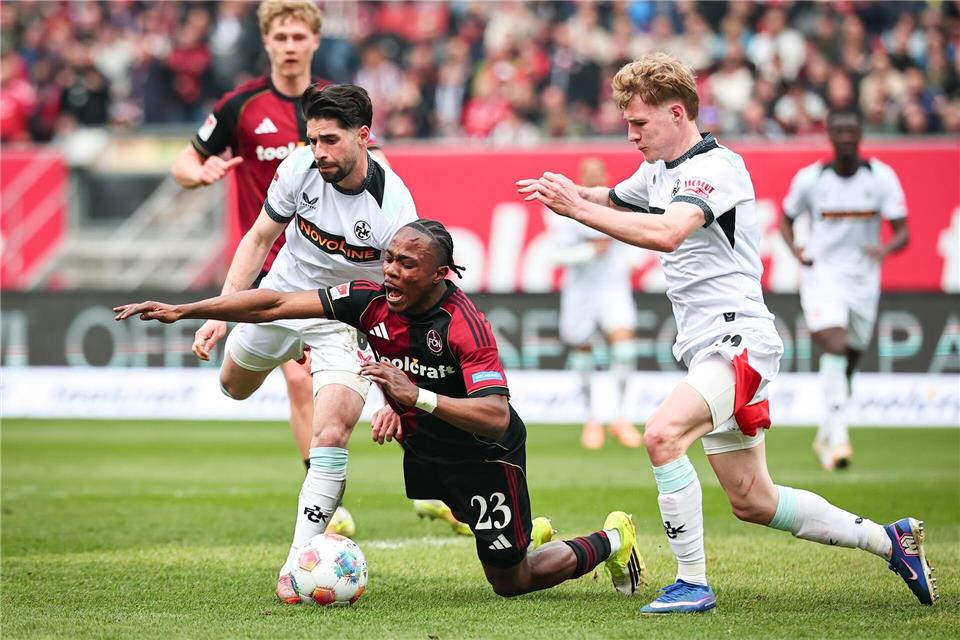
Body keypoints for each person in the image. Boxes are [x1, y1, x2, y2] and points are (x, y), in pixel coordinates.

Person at [517, 52, 936, 613]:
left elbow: (667, 233)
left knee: (662, 435)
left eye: (639, 122)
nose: (630, 133)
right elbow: (617, 198)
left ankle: (691, 583)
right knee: (753, 499)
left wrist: (574, 210)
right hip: (707, 346)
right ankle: (892, 540)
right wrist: (573, 192)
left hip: (737, 339)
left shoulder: (716, 167)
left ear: (676, 112)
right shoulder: (659, 168)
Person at [114, 220, 647, 600]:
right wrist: (187, 310)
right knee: (477, 524)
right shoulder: (366, 299)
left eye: (406, 264)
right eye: (389, 258)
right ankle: (520, 529)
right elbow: (274, 303)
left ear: (440, 274)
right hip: (424, 444)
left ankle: (612, 538)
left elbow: (497, 417)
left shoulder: (464, 326)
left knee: (510, 581)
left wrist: (414, 397)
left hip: (483, 453)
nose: (390, 272)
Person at [169, 0, 466, 540]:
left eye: (330, 140)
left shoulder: (395, 211)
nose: (319, 150)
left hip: (343, 314)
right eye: (314, 140)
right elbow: (258, 235)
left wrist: (395, 392)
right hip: (280, 289)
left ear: (363, 136)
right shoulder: (284, 150)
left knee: (330, 425)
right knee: (233, 385)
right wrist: (220, 310)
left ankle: (307, 549)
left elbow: (399, 302)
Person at [780, 110, 910, 471]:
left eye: (852, 129)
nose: (846, 136)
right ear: (830, 136)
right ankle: (839, 438)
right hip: (823, 275)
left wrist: (884, 249)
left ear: (860, 133)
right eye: (840, 130)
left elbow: (903, 230)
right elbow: (785, 220)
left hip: (864, 280)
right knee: (835, 345)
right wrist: (796, 251)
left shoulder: (881, 178)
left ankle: (826, 431)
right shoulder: (811, 179)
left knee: (848, 363)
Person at [548, 157, 643, 450]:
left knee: (625, 347)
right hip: (581, 293)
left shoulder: (618, 205)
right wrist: (591, 250)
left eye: (597, 173)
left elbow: (637, 244)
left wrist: (631, 260)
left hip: (613, 288)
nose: (592, 178)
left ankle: (621, 418)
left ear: (605, 176)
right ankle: (591, 420)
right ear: (580, 177)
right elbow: (558, 255)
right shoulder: (563, 212)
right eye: (587, 174)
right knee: (585, 353)